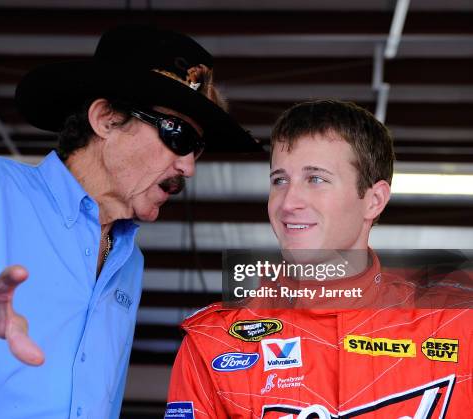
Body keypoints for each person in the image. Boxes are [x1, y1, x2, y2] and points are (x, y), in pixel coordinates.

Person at [0, 25, 260, 418]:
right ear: (105, 119)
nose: (188, 167)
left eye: (198, 148)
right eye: (178, 137)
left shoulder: (128, 260)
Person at [165, 100, 472, 418]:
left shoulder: (458, 329)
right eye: (279, 180)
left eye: (316, 179)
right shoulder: (215, 343)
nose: (288, 203)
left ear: (373, 200)